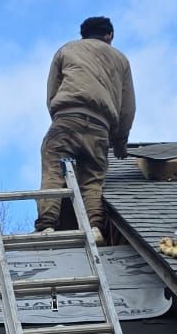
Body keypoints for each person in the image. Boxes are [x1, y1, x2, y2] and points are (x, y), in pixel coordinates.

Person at [36, 15, 136, 240]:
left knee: (53, 169)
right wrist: (120, 142)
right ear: (109, 35)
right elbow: (127, 106)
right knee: (92, 179)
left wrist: (60, 116)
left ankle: (47, 226)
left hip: (66, 119)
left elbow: (52, 92)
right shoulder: (121, 60)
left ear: (83, 35)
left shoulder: (66, 50)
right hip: (100, 128)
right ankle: (94, 228)